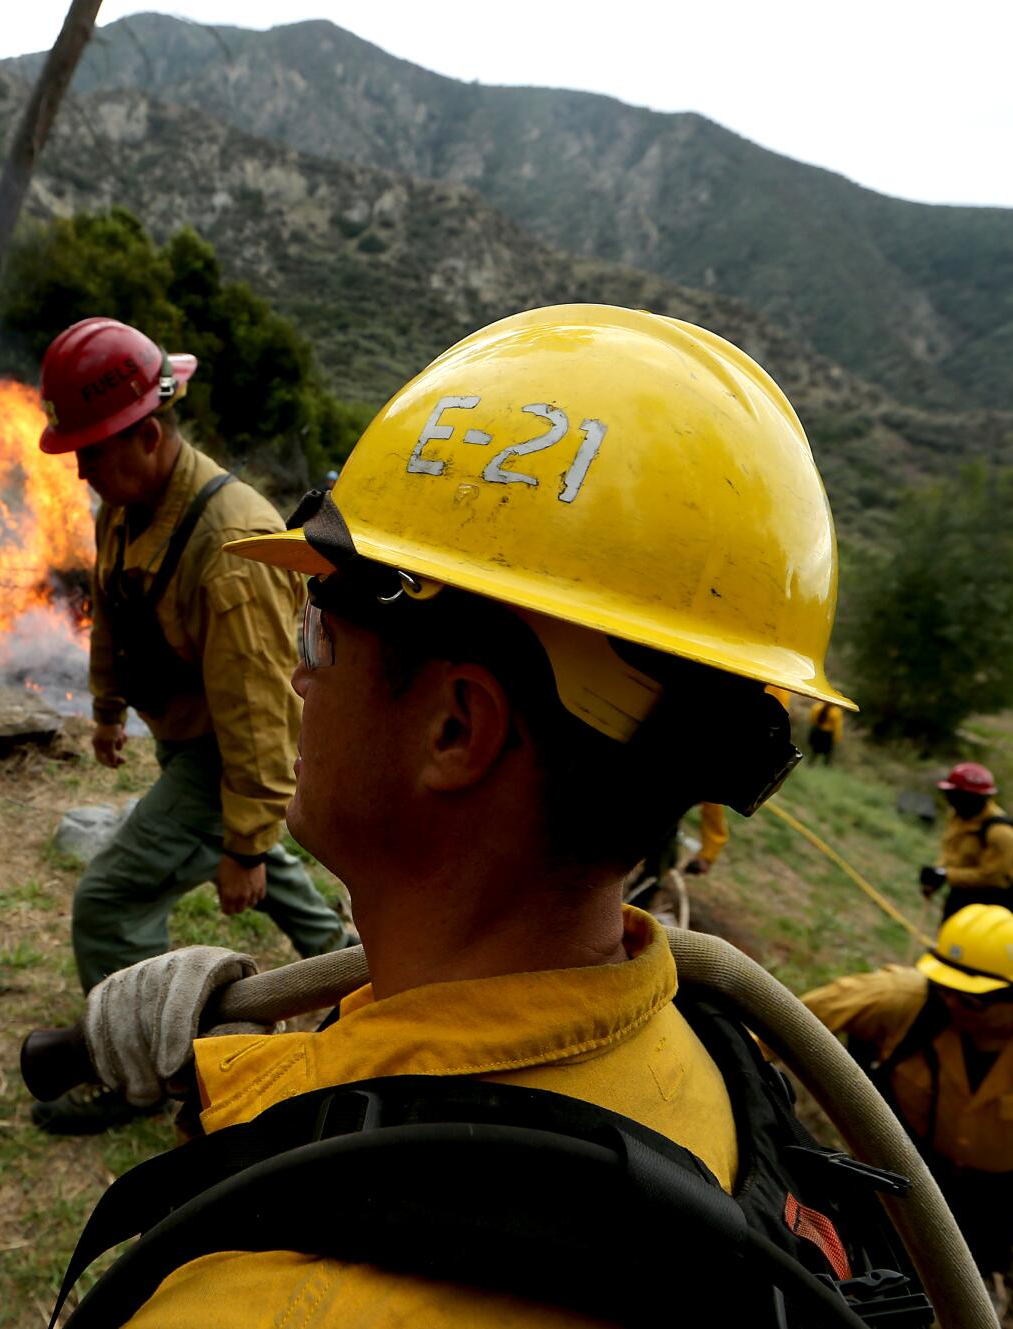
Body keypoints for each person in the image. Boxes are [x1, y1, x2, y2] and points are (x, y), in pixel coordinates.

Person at [55, 305, 867, 1322]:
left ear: (453, 728)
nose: (297, 681)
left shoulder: (254, 1306)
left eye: (316, 638)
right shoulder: (700, 1046)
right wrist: (229, 1073)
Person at [31, 317, 349, 1134]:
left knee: (107, 901)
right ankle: (346, 963)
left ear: (152, 434)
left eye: (94, 454)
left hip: (223, 756)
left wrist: (242, 844)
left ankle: (139, 1070)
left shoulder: (230, 544)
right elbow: (110, 611)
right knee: (257, 855)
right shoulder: (127, 503)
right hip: (189, 739)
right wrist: (106, 706)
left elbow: (263, 714)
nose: (84, 473)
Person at [802, 905, 1013, 1292]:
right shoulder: (902, 1001)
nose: (951, 1003)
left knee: (952, 1294)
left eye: (971, 1000)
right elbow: (777, 1020)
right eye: (944, 988)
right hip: (896, 1168)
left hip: (991, 1204)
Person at [919, 762, 1013, 919]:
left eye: (955, 794)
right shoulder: (960, 815)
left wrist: (947, 875)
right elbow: (951, 850)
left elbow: (993, 878)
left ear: (972, 798)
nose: (949, 799)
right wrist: (937, 874)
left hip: (988, 908)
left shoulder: (1002, 834)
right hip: (960, 895)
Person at [809, 700, 844, 764]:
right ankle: (823, 763)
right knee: (825, 751)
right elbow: (837, 726)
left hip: (819, 730)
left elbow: (812, 719)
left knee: (817, 749)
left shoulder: (817, 706)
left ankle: (813, 762)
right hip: (826, 733)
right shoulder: (836, 712)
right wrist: (836, 737)